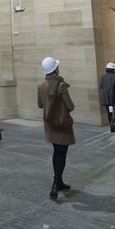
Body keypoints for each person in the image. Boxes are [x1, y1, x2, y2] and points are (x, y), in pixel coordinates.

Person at [37, 56, 75, 201]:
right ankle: (55, 184)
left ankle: (58, 182)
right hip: (62, 124)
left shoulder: (41, 86)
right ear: (55, 70)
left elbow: (40, 104)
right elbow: (70, 106)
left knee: (56, 152)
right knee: (62, 154)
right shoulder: (62, 86)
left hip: (50, 124)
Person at [98, 61, 115, 131]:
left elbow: (101, 86)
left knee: (109, 113)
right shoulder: (113, 76)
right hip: (113, 98)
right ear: (113, 70)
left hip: (106, 99)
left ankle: (111, 126)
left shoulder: (103, 76)